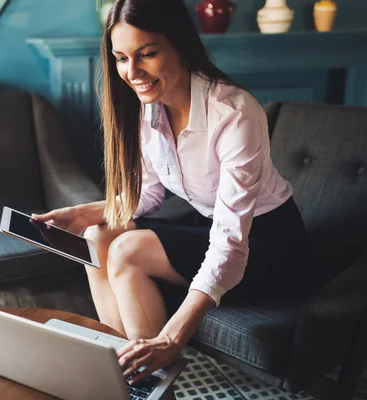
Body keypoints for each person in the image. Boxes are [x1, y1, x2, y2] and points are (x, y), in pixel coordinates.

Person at [32, 0, 308, 386]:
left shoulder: (234, 113)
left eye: (147, 54)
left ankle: (149, 382)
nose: (132, 72)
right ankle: (121, 370)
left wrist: (171, 338)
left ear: (180, 44)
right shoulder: (150, 107)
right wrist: (83, 215)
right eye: (121, 58)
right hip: (213, 229)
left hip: (268, 248)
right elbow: (148, 198)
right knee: (96, 237)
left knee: (129, 250)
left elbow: (230, 241)